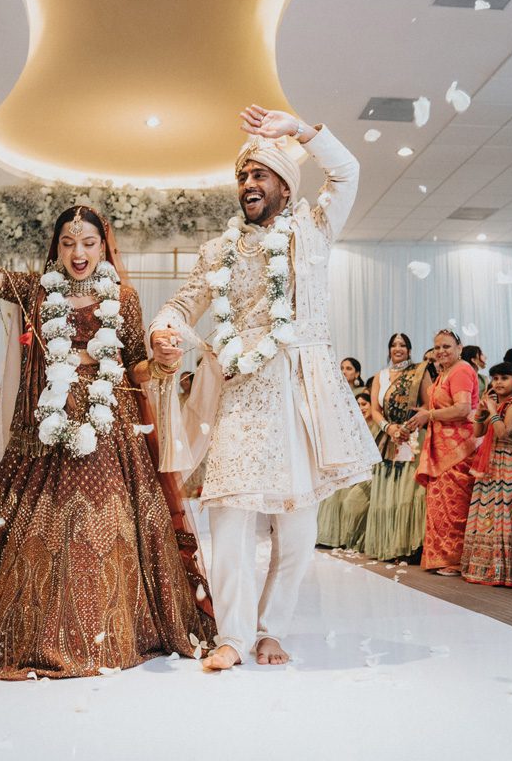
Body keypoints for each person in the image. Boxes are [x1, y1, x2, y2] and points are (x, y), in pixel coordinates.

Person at [0, 176, 212, 679]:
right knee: (44, 523)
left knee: (106, 523)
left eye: (88, 243)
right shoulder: (39, 291)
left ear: (104, 245)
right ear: (55, 247)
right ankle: (41, 624)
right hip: (48, 423)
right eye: (67, 243)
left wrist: (165, 362)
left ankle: (112, 625)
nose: (78, 252)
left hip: (110, 425)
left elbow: (135, 367)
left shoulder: (123, 298)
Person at [150, 105, 379, 670]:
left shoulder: (314, 230)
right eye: (242, 177)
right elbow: (184, 304)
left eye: (259, 175)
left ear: (283, 183)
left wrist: (299, 130)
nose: (248, 184)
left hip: (300, 395)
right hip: (240, 395)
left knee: (297, 526)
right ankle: (232, 635)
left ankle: (271, 628)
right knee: (228, 514)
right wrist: (163, 330)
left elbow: (347, 171)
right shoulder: (219, 251)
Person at [460, 363, 512, 587]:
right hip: (491, 466)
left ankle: (502, 572)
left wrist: (493, 411)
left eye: (504, 378)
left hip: (507, 466)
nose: (498, 382)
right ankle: (481, 568)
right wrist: (482, 413)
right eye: (495, 378)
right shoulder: (499, 404)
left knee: (500, 516)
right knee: (484, 515)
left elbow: (503, 432)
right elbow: (478, 432)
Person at [406, 329, 479, 576]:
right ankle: (441, 557)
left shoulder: (461, 370)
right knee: (440, 503)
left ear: (459, 347)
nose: (441, 351)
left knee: (455, 505)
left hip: (459, 449)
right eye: (437, 347)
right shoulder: (444, 373)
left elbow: (462, 408)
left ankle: (455, 560)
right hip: (442, 448)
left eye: (447, 346)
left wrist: (430, 415)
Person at [365, 332, 429, 561]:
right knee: (385, 495)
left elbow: (427, 405)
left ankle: (406, 547)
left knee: (406, 496)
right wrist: (389, 428)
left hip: (412, 439)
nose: (397, 348)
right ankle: (387, 545)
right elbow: (374, 409)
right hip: (387, 438)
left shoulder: (419, 373)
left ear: (410, 350)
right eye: (393, 345)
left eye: (402, 345)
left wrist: (408, 427)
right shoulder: (380, 376)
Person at [316, 391, 380, 548]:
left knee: (351, 500)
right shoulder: (356, 427)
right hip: (356, 472)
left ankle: (352, 540)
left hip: (373, 474)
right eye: (357, 405)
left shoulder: (378, 429)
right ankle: (334, 538)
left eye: (364, 404)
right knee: (331, 493)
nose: (360, 408)